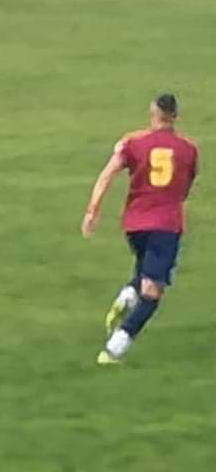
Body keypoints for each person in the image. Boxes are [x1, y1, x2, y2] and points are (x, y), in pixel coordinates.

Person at [82, 94, 198, 365]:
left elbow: (107, 174)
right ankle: (115, 348)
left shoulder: (134, 143)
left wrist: (92, 211)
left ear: (153, 114)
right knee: (152, 291)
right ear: (175, 116)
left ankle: (129, 293)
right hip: (166, 225)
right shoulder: (188, 150)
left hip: (135, 225)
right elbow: (185, 188)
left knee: (146, 269)